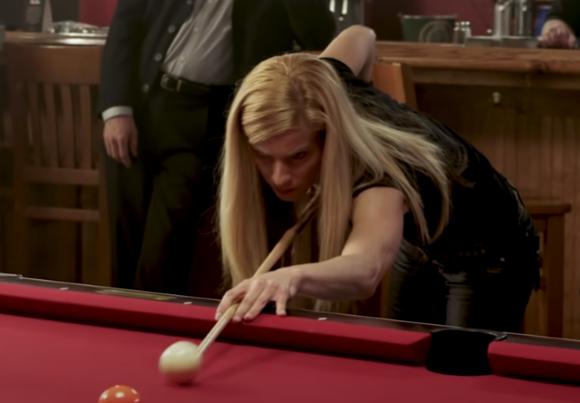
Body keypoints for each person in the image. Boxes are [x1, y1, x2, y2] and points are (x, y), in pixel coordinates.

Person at [215, 25, 541, 332]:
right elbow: (361, 35)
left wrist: (291, 277)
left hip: (488, 250)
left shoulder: (376, 174)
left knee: (460, 370)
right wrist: (367, 89)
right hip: (420, 239)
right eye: (264, 156)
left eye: (298, 156)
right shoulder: (321, 85)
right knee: (406, 360)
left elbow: (366, 267)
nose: (279, 177)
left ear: (329, 138)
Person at [99, 0, 335, 294]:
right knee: (126, 239)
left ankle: (148, 316)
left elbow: (319, 35)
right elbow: (125, 27)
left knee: (165, 245)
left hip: (206, 115)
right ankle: (120, 315)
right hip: (143, 105)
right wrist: (117, 109)